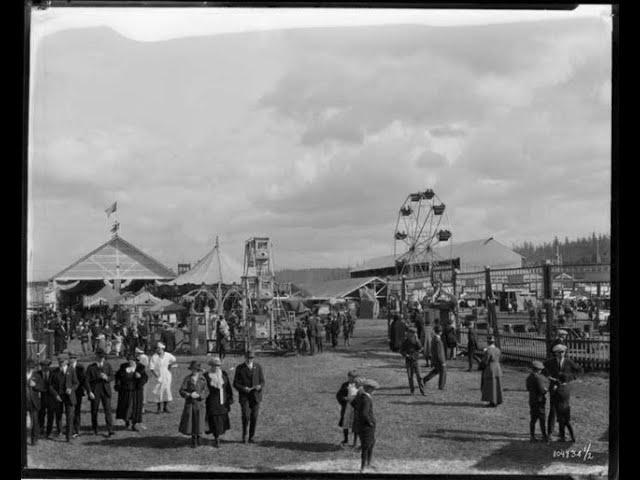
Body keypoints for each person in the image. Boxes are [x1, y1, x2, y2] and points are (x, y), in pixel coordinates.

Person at [543, 343, 582, 438]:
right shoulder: (549, 362)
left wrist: (571, 378)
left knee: (564, 410)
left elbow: (579, 370)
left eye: (563, 352)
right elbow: (542, 371)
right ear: (555, 353)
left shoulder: (569, 362)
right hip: (554, 388)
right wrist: (549, 377)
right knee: (553, 410)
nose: (561, 354)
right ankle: (550, 432)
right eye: (558, 352)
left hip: (564, 388)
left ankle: (562, 433)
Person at [233, 350, 265, 443]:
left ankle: (252, 436)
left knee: (254, 417)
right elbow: (235, 383)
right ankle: (244, 435)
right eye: (248, 357)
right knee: (246, 416)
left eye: (252, 358)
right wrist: (243, 388)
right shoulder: (240, 368)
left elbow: (262, 381)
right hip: (245, 397)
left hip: (256, 396)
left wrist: (260, 386)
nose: (250, 359)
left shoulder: (258, 367)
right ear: (245, 357)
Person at [84, 349, 115, 436]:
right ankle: (95, 429)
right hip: (95, 391)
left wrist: (107, 378)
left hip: (105, 391)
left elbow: (112, 376)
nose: (101, 359)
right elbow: (86, 381)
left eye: (103, 357)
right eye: (100, 357)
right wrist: (89, 392)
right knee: (94, 410)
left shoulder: (107, 365)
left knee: (108, 410)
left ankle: (110, 429)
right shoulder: (91, 367)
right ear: (96, 357)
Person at [204, 357, 234, 447]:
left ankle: (219, 434)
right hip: (212, 401)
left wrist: (230, 397)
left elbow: (228, 387)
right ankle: (216, 438)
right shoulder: (206, 376)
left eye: (218, 365)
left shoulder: (223, 374)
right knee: (214, 419)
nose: (217, 367)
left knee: (221, 418)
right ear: (211, 366)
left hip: (223, 400)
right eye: (214, 365)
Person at [49, 354, 79, 442]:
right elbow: (50, 386)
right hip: (59, 397)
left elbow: (76, 383)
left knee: (70, 416)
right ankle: (59, 431)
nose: (60, 363)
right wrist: (56, 395)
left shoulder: (71, 370)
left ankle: (68, 436)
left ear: (66, 361)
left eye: (62, 362)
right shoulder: (54, 372)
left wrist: (71, 389)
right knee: (58, 415)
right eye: (59, 362)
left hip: (69, 397)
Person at [179, 361, 209, 448]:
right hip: (190, 403)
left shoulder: (203, 379)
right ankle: (193, 439)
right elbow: (181, 390)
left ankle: (198, 437)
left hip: (200, 403)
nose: (194, 371)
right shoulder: (187, 379)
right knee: (191, 421)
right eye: (192, 369)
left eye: (195, 369)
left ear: (198, 370)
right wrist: (189, 395)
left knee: (199, 421)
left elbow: (206, 391)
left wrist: (200, 395)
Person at [352, 378, 379, 473]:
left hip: (363, 425)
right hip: (366, 426)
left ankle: (368, 464)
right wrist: (370, 422)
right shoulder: (366, 398)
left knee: (371, 443)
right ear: (368, 388)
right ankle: (363, 467)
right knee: (366, 446)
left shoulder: (361, 396)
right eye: (373, 388)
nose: (374, 390)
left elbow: (353, 403)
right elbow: (364, 413)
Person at [115, 353, 147, 431]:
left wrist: (139, 377)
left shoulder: (140, 368)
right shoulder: (123, 367)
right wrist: (118, 385)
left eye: (132, 361)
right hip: (125, 391)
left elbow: (145, 378)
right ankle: (127, 421)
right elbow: (118, 376)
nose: (130, 362)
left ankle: (135, 423)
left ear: (135, 361)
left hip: (136, 391)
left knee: (135, 407)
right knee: (126, 407)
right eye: (129, 361)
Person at [149, 342, 178, 413]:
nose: (158, 350)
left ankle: (165, 407)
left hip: (166, 375)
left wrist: (170, 366)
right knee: (158, 391)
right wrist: (156, 376)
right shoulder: (154, 357)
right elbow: (151, 368)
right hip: (158, 375)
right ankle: (158, 408)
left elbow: (174, 360)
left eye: (159, 349)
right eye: (157, 348)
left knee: (166, 390)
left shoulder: (168, 355)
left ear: (162, 349)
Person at [526, 360, 548, 443]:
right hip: (539, 400)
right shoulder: (538, 378)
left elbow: (528, 388)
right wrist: (546, 389)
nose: (541, 370)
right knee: (542, 419)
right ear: (537, 369)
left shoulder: (529, 377)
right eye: (540, 369)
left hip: (532, 399)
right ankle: (544, 436)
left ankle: (532, 436)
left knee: (533, 419)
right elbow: (542, 390)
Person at [26, 359, 46, 446]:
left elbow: (43, 388)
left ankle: (34, 439)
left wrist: (35, 386)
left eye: (32, 367)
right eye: (29, 367)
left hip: (33, 402)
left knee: (35, 421)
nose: (31, 369)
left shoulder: (37, 376)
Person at [336, 370, 359, 446]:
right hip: (347, 407)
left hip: (355, 407)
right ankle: (346, 440)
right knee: (345, 423)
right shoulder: (345, 385)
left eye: (353, 377)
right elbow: (339, 395)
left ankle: (355, 442)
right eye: (350, 377)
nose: (351, 379)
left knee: (356, 424)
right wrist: (344, 399)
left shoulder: (359, 385)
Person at [400, 326, 425, 395]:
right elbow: (401, 351)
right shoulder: (405, 341)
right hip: (408, 361)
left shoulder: (417, 340)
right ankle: (412, 391)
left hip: (416, 360)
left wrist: (417, 353)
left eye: (415, 333)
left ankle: (422, 391)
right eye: (412, 333)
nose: (414, 334)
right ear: (409, 333)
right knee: (410, 377)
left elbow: (421, 348)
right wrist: (406, 355)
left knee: (419, 376)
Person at [551, 373, 575, 443]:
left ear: (559, 380)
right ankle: (573, 437)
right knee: (568, 423)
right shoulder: (568, 387)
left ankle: (562, 438)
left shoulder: (558, 389)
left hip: (560, 408)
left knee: (561, 424)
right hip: (567, 407)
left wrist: (554, 389)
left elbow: (553, 397)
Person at [480, 336, 503, 407]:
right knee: (497, 385)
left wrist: (481, 366)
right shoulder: (498, 349)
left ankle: (492, 401)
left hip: (490, 368)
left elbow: (485, 361)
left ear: (488, 342)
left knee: (491, 386)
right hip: (497, 368)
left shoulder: (488, 351)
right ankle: (498, 400)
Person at [423, 325, 446, 390]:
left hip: (435, 358)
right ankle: (441, 386)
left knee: (436, 371)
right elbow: (439, 352)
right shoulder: (438, 340)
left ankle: (424, 379)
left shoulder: (434, 338)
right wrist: (442, 361)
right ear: (440, 332)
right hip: (439, 359)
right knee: (443, 372)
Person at [69, 353, 86, 438]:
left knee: (77, 411)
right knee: (70, 411)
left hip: (77, 392)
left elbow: (83, 380)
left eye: (73, 358)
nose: (72, 359)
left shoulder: (80, 368)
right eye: (70, 358)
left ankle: (76, 429)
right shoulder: (67, 367)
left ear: (76, 359)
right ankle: (70, 428)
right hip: (68, 393)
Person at [38, 359, 56, 439]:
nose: (45, 368)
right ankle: (41, 429)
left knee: (50, 415)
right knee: (41, 414)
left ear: (49, 366)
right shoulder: (37, 374)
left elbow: (55, 385)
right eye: (43, 366)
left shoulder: (53, 374)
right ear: (41, 367)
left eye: (46, 366)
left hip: (51, 398)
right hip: (41, 397)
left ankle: (49, 431)